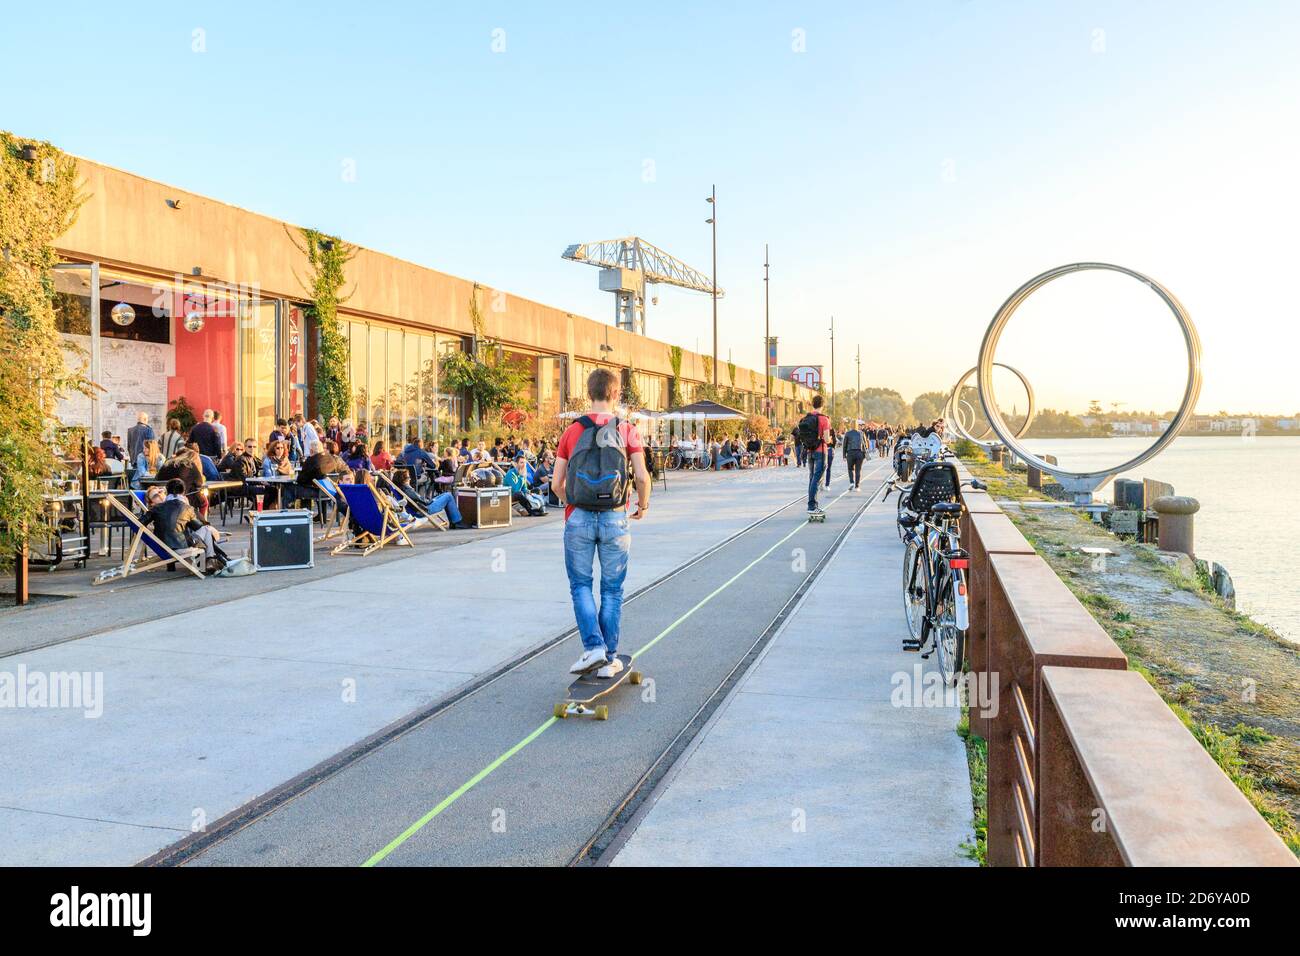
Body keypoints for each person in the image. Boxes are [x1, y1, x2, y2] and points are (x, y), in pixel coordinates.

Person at [553, 368, 651, 678]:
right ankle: (609, 659)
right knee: (612, 590)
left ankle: (592, 647)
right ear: (616, 394)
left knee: (581, 585)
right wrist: (642, 505)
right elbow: (642, 476)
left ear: (589, 393)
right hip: (615, 516)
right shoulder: (627, 430)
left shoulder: (571, 432)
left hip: (578, 516)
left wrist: (573, 503)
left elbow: (557, 483)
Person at [141, 480, 225, 574]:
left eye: (160, 492)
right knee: (205, 531)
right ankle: (210, 560)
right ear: (183, 492)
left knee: (202, 535)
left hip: (164, 547)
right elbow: (198, 527)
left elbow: (140, 523)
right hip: (181, 547)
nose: (159, 495)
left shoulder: (156, 509)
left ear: (167, 492)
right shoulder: (185, 507)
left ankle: (210, 561)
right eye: (155, 496)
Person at [389, 468, 466, 528]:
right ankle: (457, 522)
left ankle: (454, 522)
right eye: (408, 477)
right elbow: (424, 502)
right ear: (404, 479)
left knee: (445, 494)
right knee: (448, 496)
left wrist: (433, 500)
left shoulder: (401, 488)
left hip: (421, 508)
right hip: (425, 510)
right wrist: (432, 500)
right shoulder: (407, 489)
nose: (410, 479)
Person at [800, 395, 830, 514]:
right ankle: (812, 506)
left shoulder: (807, 417)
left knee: (812, 478)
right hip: (821, 451)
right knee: (816, 479)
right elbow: (827, 439)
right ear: (823, 405)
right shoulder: (824, 419)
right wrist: (829, 439)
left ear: (813, 404)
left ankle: (812, 505)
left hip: (809, 451)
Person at [842, 420, 866, 490]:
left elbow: (844, 445)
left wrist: (844, 455)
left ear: (850, 425)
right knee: (858, 470)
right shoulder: (861, 433)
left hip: (850, 453)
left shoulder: (847, 433)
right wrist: (864, 455)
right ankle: (857, 486)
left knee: (850, 469)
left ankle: (851, 482)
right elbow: (866, 445)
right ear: (857, 425)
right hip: (859, 453)